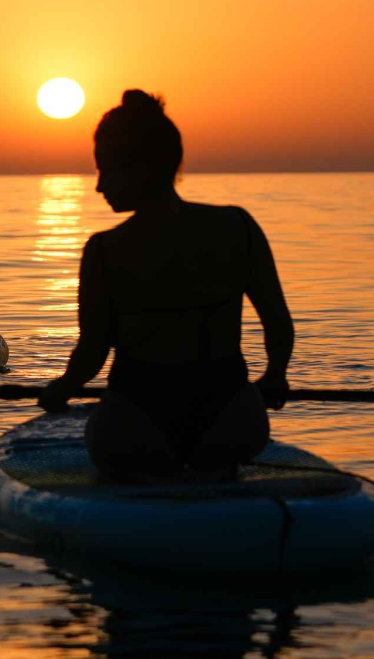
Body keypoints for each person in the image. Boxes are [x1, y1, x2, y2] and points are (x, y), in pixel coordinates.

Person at [40, 90, 294, 483]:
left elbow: (93, 352)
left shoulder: (105, 250)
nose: (99, 186)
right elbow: (277, 322)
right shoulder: (238, 227)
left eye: (105, 169)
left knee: (122, 456)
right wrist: (275, 375)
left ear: (141, 168)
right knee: (217, 465)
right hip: (232, 423)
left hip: (139, 427)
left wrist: (61, 389)